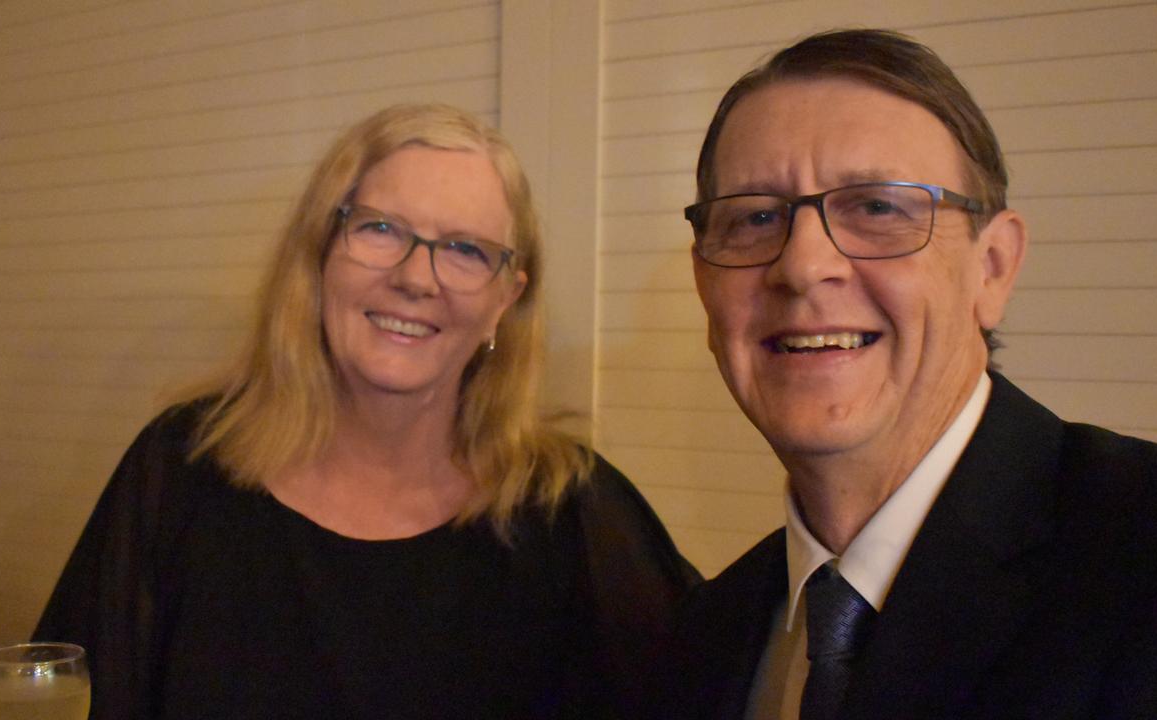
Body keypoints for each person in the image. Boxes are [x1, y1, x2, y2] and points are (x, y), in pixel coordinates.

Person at [35, 103, 698, 720]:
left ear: (505, 300)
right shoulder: (179, 470)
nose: (416, 278)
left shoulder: (571, 508)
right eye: (380, 228)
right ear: (318, 256)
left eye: (466, 249)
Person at [650, 29, 1157, 720]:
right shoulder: (701, 637)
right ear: (703, 280)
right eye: (756, 218)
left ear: (993, 267)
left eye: (877, 208)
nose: (801, 266)